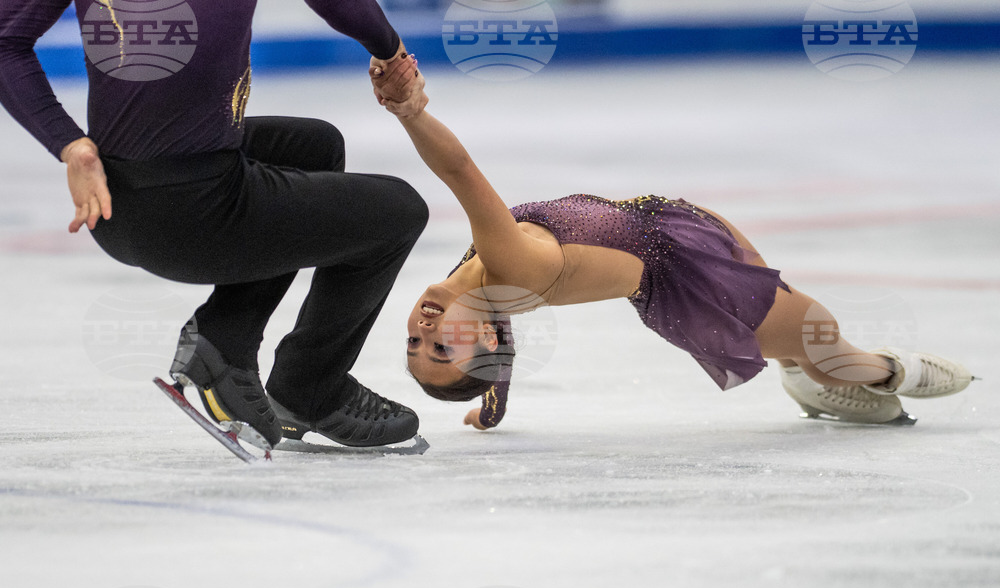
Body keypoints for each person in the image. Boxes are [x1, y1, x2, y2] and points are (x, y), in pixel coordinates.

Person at [370, 56, 974, 430]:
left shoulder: (474, 282)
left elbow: (486, 345)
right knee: (826, 339)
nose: (422, 330)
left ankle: (799, 371)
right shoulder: (509, 270)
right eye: (440, 351)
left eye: (413, 343)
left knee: (787, 306)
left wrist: (493, 408)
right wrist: (410, 110)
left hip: (671, 224)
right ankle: (887, 372)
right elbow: (461, 171)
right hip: (690, 290)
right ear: (486, 336)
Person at [0, 1, 429, 450]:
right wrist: (393, 54)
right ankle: (310, 387)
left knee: (313, 148)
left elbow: (7, 38)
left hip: (116, 197)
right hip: (194, 215)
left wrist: (72, 148)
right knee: (399, 214)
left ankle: (228, 338)